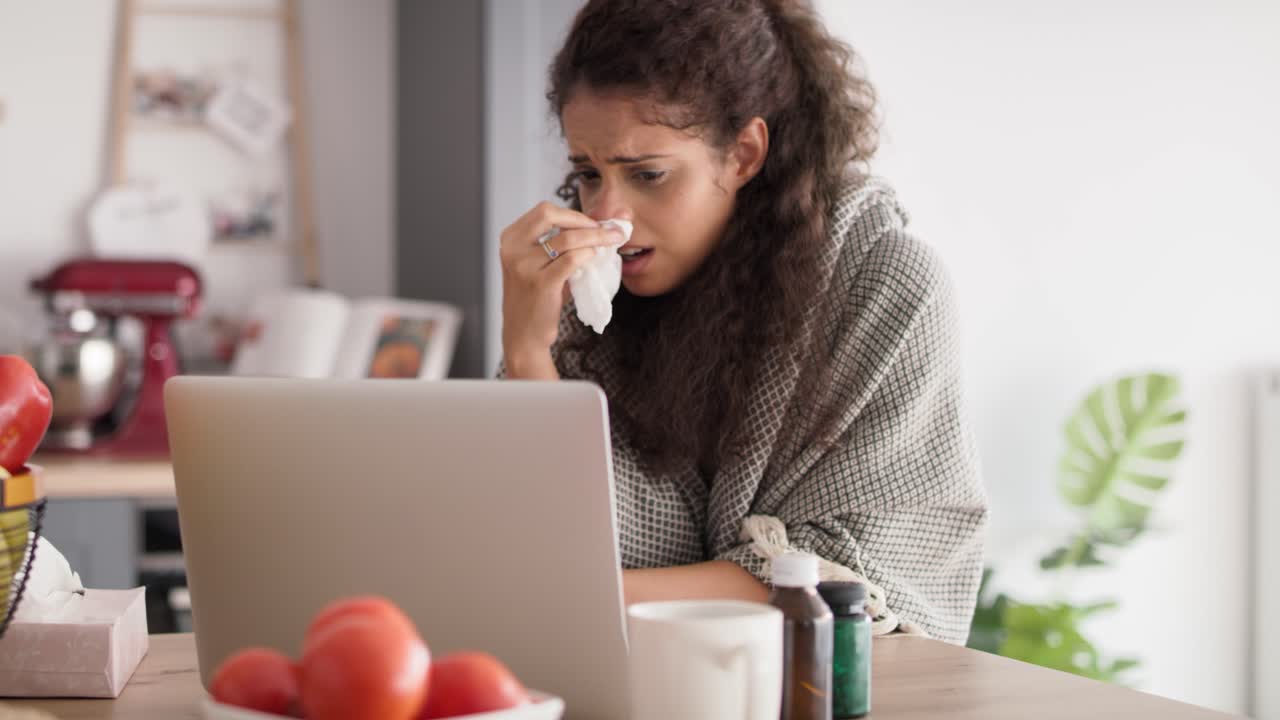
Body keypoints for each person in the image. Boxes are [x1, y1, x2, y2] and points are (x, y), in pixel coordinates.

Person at [498, 0, 987, 644]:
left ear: (744, 153)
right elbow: (556, 534)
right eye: (588, 173)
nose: (609, 214)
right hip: (638, 679)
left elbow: (858, 574)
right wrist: (530, 350)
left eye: (648, 174)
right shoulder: (585, 296)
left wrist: (582, 595)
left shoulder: (884, 283)